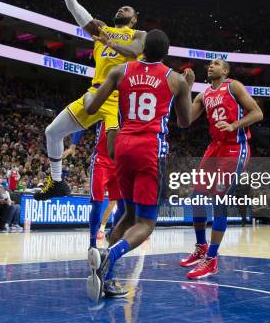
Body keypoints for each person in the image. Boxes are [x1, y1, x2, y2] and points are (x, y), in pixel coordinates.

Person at [83, 29, 194, 300]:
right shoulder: (176, 79)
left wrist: (87, 100)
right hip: (150, 149)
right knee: (146, 223)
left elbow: (91, 107)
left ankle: (105, 280)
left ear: (142, 48)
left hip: (123, 146)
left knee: (128, 216)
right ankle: (110, 253)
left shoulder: (121, 70)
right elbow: (185, 121)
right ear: (166, 53)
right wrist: (188, 88)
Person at [35, 0, 148, 201]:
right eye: (120, 7)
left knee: (117, 155)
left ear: (134, 19)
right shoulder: (101, 30)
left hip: (119, 100)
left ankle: (136, 197)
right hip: (96, 92)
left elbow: (135, 52)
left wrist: (111, 43)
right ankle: (57, 182)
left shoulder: (139, 35)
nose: (122, 9)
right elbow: (74, 7)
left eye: (127, 9)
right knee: (52, 132)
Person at [179, 59, 263, 279]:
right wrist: (187, 88)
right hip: (214, 149)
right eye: (209, 64)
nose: (210, 66)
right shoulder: (203, 95)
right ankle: (201, 248)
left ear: (225, 71)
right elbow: (184, 121)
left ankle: (212, 259)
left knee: (219, 199)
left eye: (216, 64)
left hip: (235, 148)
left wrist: (234, 125)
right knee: (197, 197)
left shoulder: (233, 86)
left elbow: (257, 113)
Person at [65, 123, 123, 249]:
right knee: (97, 203)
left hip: (119, 162)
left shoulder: (127, 110)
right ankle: (92, 245)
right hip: (101, 161)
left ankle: (112, 232)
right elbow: (82, 123)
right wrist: (73, 145)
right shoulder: (103, 106)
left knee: (123, 205)